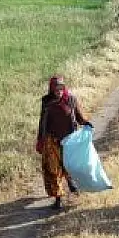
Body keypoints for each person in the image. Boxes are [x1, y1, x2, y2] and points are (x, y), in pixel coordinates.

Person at [35, 75, 92, 209]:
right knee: (53, 170)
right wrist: (40, 140)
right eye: (56, 88)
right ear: (51, 89)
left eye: (61, 87)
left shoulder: (71, 100)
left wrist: (86, 123)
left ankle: (71, 182)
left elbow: (79, 117)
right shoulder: (46, 102)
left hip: (69, 140)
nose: (59, 90)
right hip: (51, 140)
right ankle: (58, 199)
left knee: (68, 165)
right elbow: (42, 122)